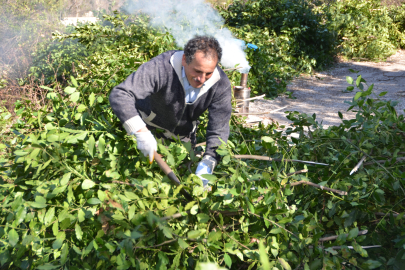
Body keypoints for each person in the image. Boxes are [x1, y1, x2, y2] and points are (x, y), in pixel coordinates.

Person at [109, 35, 232, 186]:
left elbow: (218, 130)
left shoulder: (221, 84)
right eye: (197, 71)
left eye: (208, 73)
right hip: (148, 128)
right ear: (184, 60)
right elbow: (121, 94)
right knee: (139, 179)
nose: (202, 79)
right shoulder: (161, 67)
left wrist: (209, 162)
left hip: (182, 138)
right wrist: (140, 132)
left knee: (181, 179)